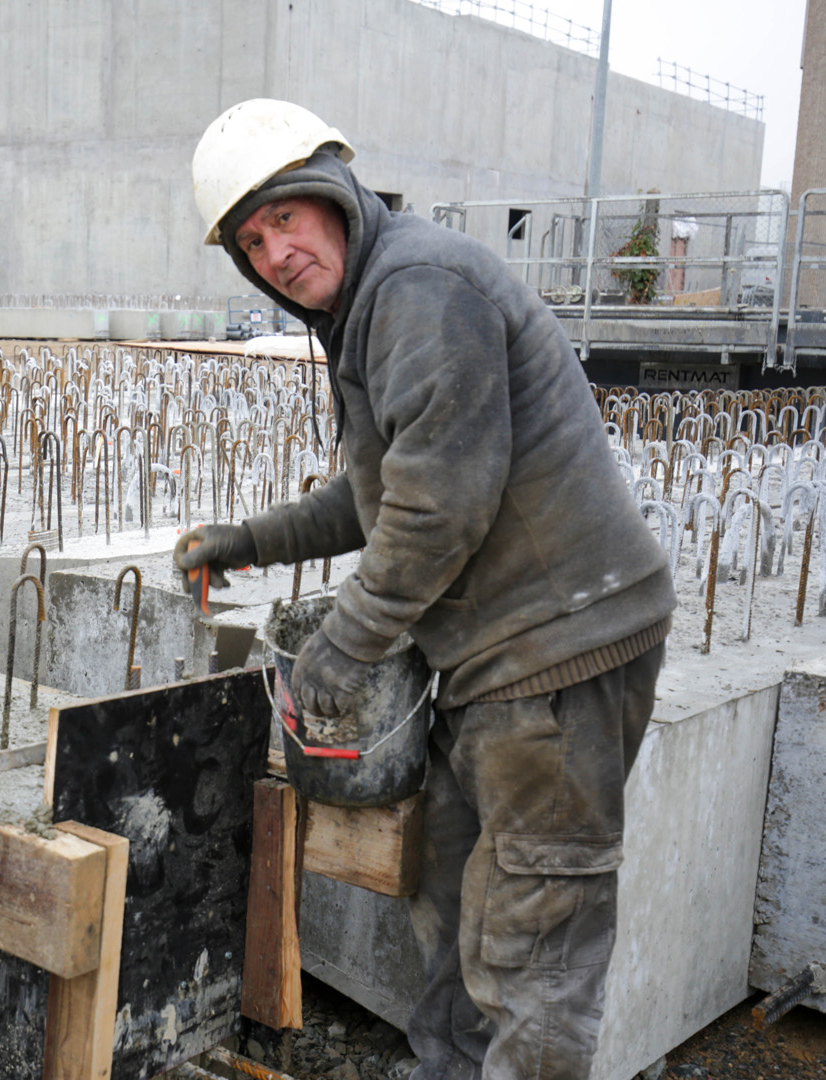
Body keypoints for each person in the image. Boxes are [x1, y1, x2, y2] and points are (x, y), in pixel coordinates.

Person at [177, 100, 676, 1079]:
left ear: (331, 193)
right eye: (251, 241)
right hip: (496, 664)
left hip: (559, 655)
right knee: (448, 893)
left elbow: (441, 506)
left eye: (284, 218)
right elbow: (382, 495)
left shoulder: (419, 286)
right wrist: (249, 541)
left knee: (532, 954)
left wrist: (346, 641)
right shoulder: (368, 309)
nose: (275, 252)